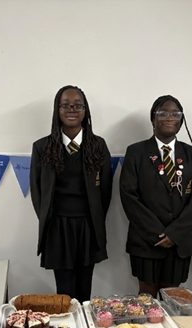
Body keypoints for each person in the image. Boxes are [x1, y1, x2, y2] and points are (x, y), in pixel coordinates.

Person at [30, 85, 112, 302]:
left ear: (85, 111)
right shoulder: (42, 147)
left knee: (85, 290)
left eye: (77, 105)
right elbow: (38, 194)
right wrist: (50, 221)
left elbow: (105, 192)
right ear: (57, 110)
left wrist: (94, 220)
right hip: (57, 227)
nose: (71, 110)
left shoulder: (98, 145)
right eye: (65, 105)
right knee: (64, 292)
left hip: (88, 226)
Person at [120, 95, 192, 298]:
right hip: (146, 241)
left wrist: (174, 234)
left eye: (176, 114)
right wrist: (159, 234)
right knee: (146, 299)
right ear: (153, 119)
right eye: (163, 113)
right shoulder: (136, 152)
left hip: (179, 242)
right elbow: (129, 196)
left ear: (181, 121)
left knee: (172, 298)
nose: (169, 117)